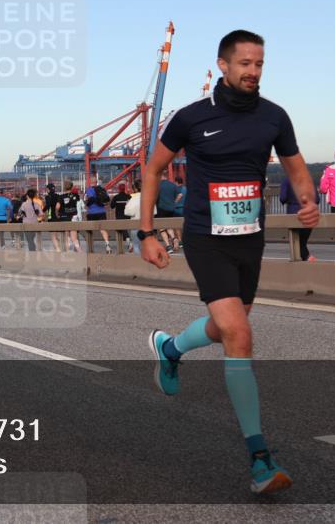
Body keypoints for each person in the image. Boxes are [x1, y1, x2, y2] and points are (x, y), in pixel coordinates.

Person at [139, 29, 319, 495]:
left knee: (226, 328)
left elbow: (296, 166)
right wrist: (146, 232)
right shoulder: (192, 117)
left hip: (249, 239)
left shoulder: (274, 116)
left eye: (259, 64)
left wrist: (307, 199)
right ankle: (260, 460)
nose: (253, 72)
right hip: (205, 238)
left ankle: (170, 349)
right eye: (245, 63)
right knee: (239, 333)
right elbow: (153, 169)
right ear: (223, 65)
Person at [279, 176, 317, 261]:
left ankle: (307, 258)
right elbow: (317, 199)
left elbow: (282, 198)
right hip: (309, 214)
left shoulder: (287, 180)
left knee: (297, 242)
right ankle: (306, 260)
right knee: (302, 242)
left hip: (294, 214)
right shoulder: (309, 180)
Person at [85, 181, 113, 254]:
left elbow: (86, 201)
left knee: (89, 230)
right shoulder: (102, 189)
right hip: (102, 212)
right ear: (96, 182)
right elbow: (107, 200)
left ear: (90, 182)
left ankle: (90, 248)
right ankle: (107, 245)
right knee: (103, 229)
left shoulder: (89, 190)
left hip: (92, 212)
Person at [56, 180, 81, 252]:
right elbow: (78, 201)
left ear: (64, 187)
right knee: (74, 237)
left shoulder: (61, 197)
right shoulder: (75, 195)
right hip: (74, 217)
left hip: (64, 217)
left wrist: (57, 214)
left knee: (66, 236)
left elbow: (57, 207)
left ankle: (67, 253)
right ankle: (80, 252)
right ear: (72, 187)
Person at [111, 183, 132, 252]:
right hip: (127, 215)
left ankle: (128, 243)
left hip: (119, 216)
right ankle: (128, 242)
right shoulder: (128, 196)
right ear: (124, 188)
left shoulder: (116, 197)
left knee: (122, 229)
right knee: (124, 229)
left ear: (119, 189)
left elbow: (112, 206)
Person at [44, 182, 63, 252]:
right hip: (58, 217)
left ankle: (58, 250)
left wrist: (42, 211)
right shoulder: (58, 196)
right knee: (57, 234)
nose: (46, 190)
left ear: (48, 189)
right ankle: (60, 248)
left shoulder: (48, 197)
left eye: (47, 189)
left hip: (51, 217)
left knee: (53, 235)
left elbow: (48, 205)